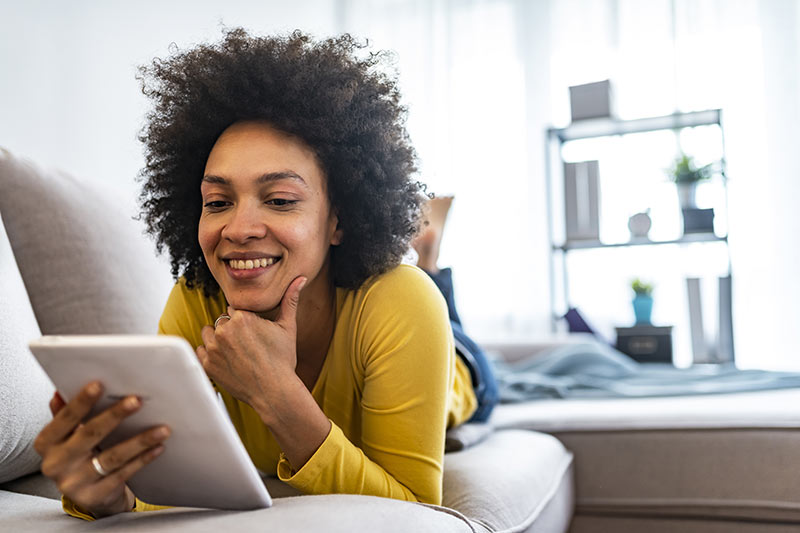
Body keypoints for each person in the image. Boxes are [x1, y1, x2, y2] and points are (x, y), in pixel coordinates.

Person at [33, 29, 491, 520]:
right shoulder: (197, 300)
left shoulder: (402, 303)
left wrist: (278, 394)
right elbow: (161, 489)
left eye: (279, 200)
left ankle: (429, 259)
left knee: (459, 344)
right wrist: (105, 496)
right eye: (218, 202)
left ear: (338, 219)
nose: (240, 228)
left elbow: (419, 516)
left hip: (463, 376)